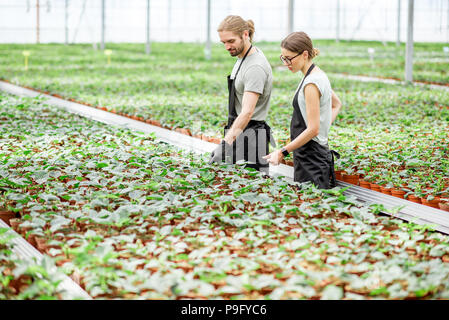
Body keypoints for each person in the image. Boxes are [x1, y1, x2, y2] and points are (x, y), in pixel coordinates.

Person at [264, 31, 342, 189]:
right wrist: (322, 128)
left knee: (312, 206)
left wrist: (282, 152)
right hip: (315, 154)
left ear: (305, 54)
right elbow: (337, 104)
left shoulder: (311, 83)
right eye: (283, 58)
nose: (286, 63)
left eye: (289, 58)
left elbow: (313, 129)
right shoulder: (319, 75)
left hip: (311, 159)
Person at [209, 15, 275, 173]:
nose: (227, 46)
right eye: (223, 42)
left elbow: (247, 112)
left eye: (231, 41)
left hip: (251, 139)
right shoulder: (242, 57)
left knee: (251, 188)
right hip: (240, 132)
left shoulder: (255, 67)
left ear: (245, 34)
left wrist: (225, 144)